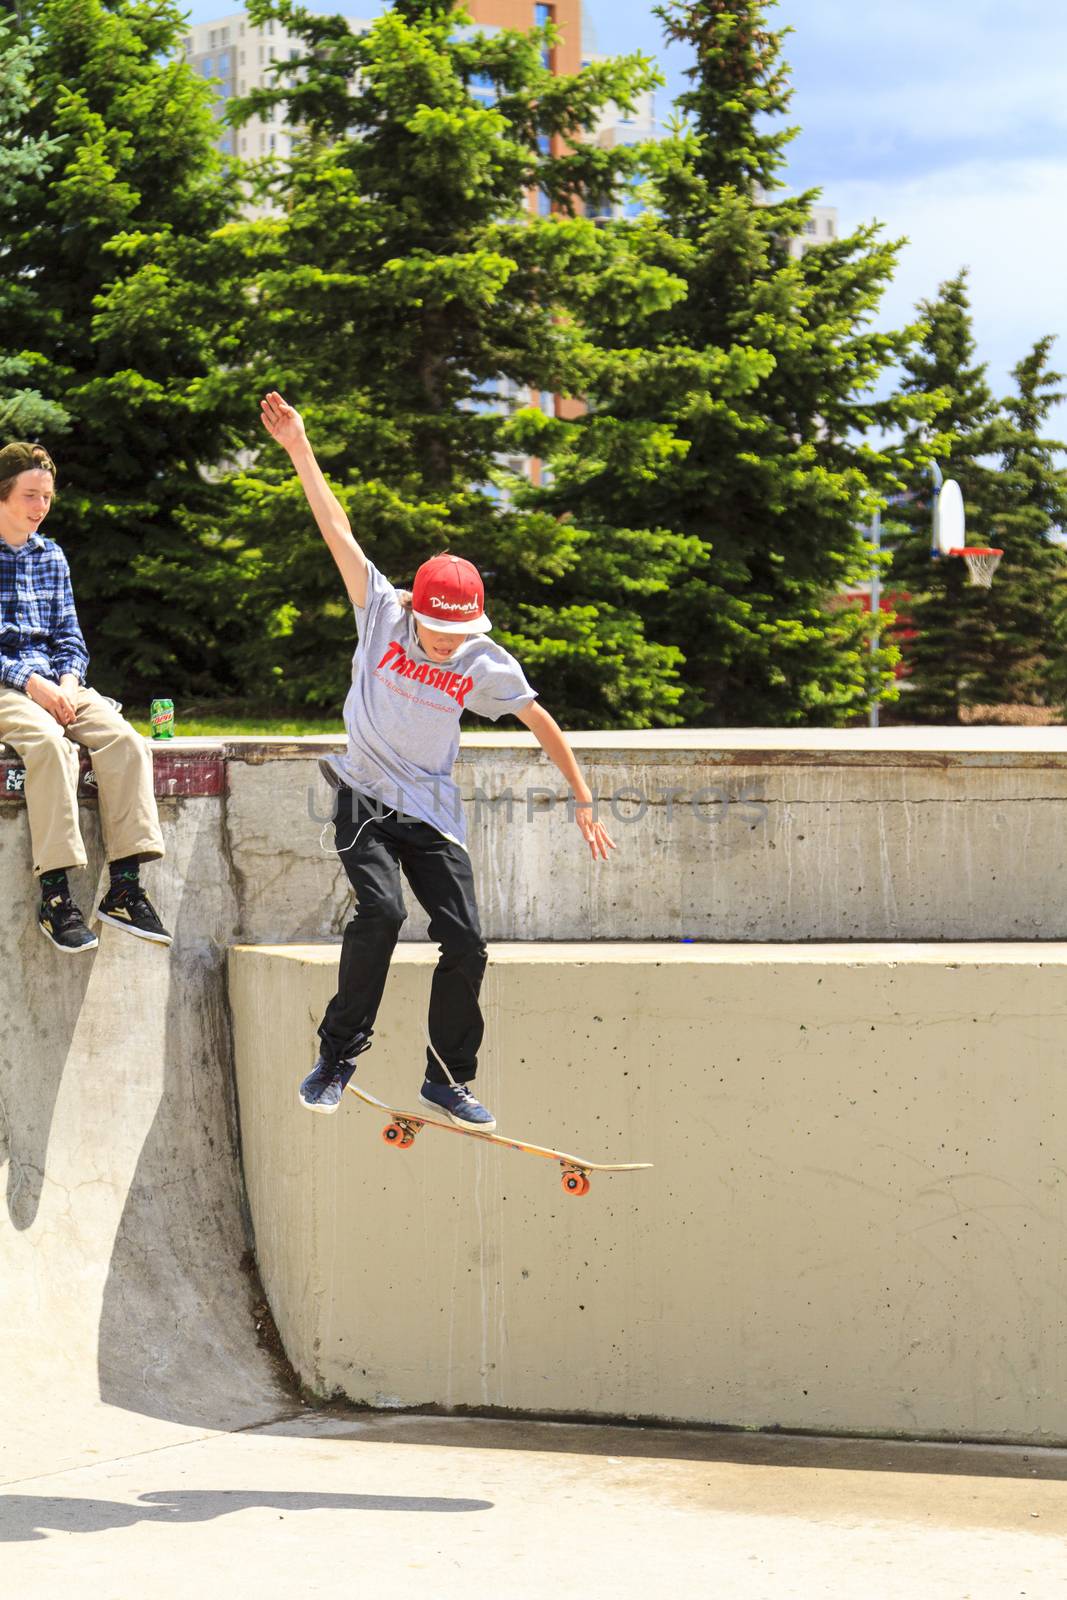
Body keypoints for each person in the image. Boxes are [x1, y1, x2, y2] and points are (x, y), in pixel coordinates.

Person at [260, 391, 615, 1130]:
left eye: (457, 636)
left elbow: (537, 718)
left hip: (430, 813)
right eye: (436, 633)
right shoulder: (382, 611)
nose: (446, 646)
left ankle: (447, 1077)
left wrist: (581, 797)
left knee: (467, 940)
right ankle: (336, 1054)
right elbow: (336, 526)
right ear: (416, 611)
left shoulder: (483, 658)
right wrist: (299, 448)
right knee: (382, 913)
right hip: (362, 798)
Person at [0, 441, 171, 952]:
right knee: (51, 747)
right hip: (8, 685)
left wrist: (69, 685)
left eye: (47, 497)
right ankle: (55, 897)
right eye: (31, 495)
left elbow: (70, 638)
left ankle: (124, 888)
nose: (40, 507)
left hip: (59, 681)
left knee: (127, 742)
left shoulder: (51, 556)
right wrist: (33, 685)